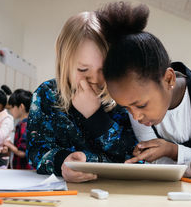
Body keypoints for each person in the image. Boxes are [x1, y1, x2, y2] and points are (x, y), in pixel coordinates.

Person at [96, 1, 191, 177]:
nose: (135, 116)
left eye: (141, 105)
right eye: (127, 107)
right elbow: (157, 163)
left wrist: (173, 151)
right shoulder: (135, 105)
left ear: (168, 79)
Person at [27, 11, 137, 182]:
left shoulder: (121, 96)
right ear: (64, 62)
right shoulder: (46, 94)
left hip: (114, 192)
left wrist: (96, 118)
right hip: (62, 192)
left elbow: (132, 154)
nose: (94, 79)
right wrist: (63, 162)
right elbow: (35, 152)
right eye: (83, 70)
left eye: (103, 70)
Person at [2, 89, 33, 169]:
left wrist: (9, 145)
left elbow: (22, 152)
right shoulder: (27, 123)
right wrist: (10, 147)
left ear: (21, 107)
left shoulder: (24, 125)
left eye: (12, 107)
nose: (10, 110)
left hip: (23, 170)